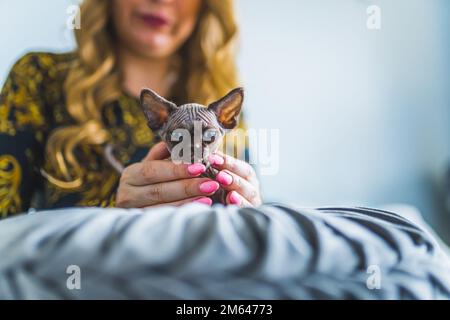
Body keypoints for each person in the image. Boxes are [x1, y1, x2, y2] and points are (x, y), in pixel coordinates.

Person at [0, 0, 262, 218]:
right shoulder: (40, 78)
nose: (161, 0)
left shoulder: (221, 97)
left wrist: (254, 218)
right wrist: (116, 219)